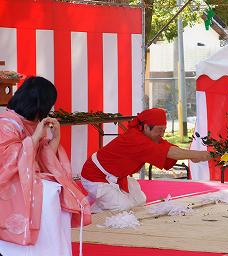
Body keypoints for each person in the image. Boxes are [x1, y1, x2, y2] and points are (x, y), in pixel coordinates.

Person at [0, 76, 91, 255]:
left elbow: (41, 158)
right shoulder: (6, 123)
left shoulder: (32, 124)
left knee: (61, 193)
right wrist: (34, 139)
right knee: (49, 195)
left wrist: (54, 138)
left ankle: (56, 250)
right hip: (9, 183)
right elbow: (6, 162)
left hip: (27, 178)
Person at [81, 108, 211, 213]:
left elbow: (168, 149)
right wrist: (198, 154)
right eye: (159, 130)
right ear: (146, 127)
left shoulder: (149, 138)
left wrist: (193, 155)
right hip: (94, 176)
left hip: (116, 176)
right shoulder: (136, 139)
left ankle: (104, 200)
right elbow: (169, 152)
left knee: (139, 201)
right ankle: (96, 209)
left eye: (163, 130)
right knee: (122, 207)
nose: (161, 134)